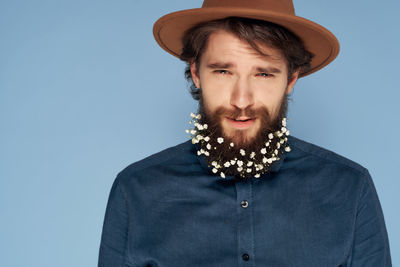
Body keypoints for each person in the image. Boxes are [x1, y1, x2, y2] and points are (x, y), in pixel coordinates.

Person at [98, 0, 392, 266]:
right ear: (197, 73)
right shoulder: (135, 191)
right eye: (223, 71)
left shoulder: (350, 189)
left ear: (290, 79)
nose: (241, 100)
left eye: (263, 73)